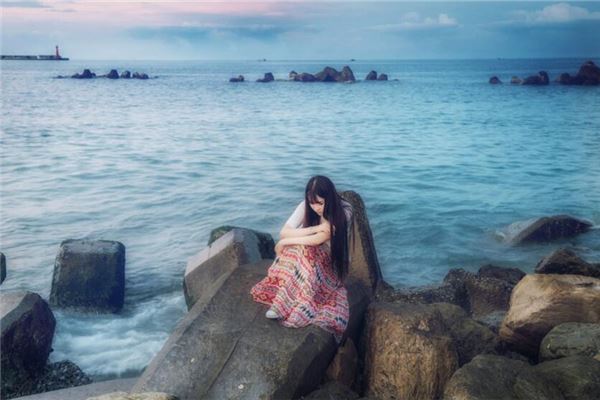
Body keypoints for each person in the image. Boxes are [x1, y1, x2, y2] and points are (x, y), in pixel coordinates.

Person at [250, 175, 353, 343]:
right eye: (312, 203)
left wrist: (285, 242)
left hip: (332, 264)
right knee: (299, 249)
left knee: (302, 249)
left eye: (320, 203)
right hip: (310, 259)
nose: (316, 208)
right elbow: (285, 231)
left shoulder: (345, 210)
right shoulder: (306, 205)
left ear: (330, 198)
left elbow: (320, 238)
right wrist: (314, 228)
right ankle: (287, 298)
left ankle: (282, 305)